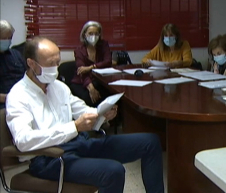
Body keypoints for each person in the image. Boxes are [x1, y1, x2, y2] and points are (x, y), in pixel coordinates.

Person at [6, 37, 164, 193]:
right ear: (31, 63)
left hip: (80, 143)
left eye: (57, 62)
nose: (55, 68)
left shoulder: (58, 87)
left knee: (150, 142)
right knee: (113, 171)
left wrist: (102, 114)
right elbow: (22, 140)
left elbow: (81, 109)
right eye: (50, 64)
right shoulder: (18, 95)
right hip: (49, 158)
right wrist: (74, 127)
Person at [70, 21, 112, 107]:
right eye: (90, 33)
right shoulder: (79, 51)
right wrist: (91, 88)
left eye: (96, 34)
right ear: (84, 34)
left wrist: (90, 67)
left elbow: (108, 61)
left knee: (110, 96)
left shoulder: (103, 45)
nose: (93, 36)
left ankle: (109, 118)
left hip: (99, 80)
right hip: (81, 82)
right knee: (89, 98)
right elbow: (82, 72)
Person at [0, 20, 26, 109]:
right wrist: (9, 98)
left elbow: (27, 76)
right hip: (4, 104)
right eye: (4, 38)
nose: (7, 41)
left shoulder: (16, 54)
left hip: (23, 100)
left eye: (9, 38)